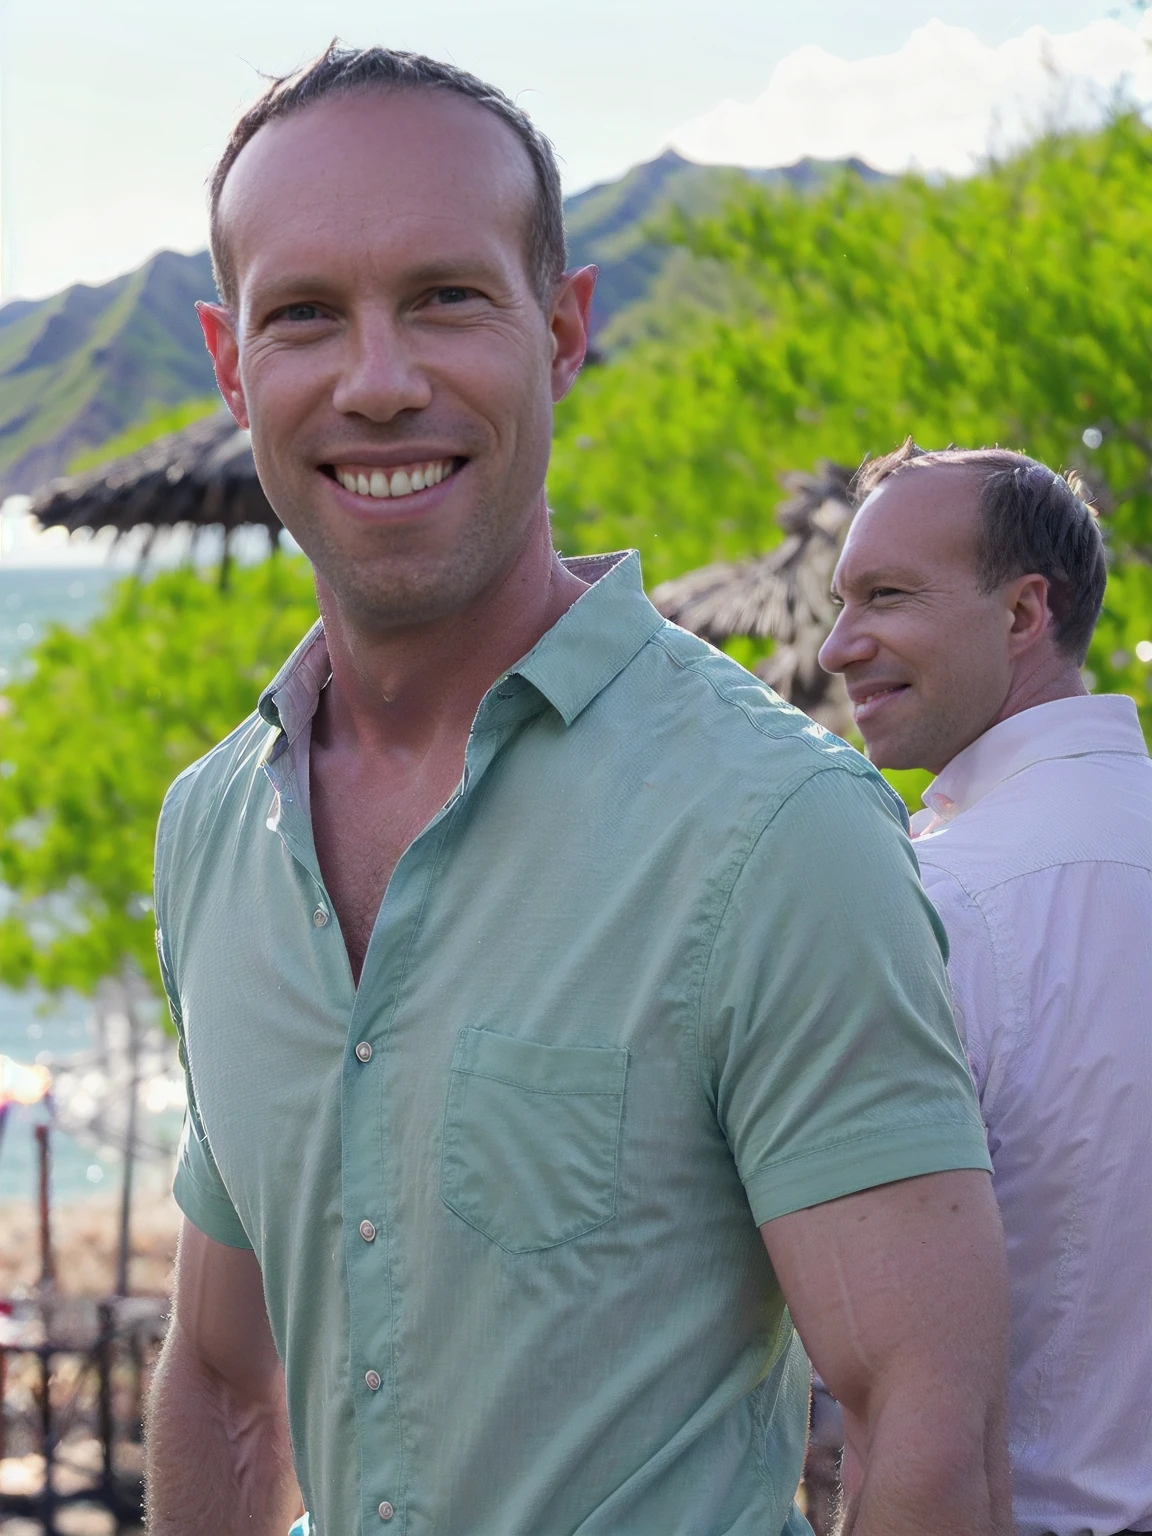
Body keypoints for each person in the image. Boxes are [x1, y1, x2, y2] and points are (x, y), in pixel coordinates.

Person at [145, 49, 1011, 1536]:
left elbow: (926, 1442)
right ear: (234, 367)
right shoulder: (215, 830)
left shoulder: (778, 832)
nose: (379, 379)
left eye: (445, 298)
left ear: (562, 331)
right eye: (306, 315)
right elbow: (230, 1384)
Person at [819, 439, 1152, 1536]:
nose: (835, 646)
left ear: (1023, 616)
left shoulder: (932, 900)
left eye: (886, 597)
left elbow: (847, 1346)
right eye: (840, 600)